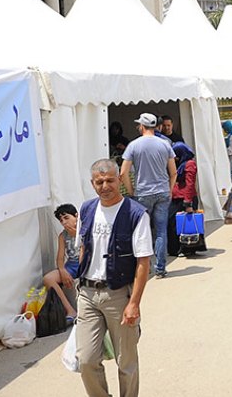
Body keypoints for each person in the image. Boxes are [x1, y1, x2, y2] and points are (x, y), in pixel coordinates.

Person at [76, 159, 153, 397]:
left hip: (118, 294)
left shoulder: (135, 213)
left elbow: (143, 262)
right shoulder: (86, 209)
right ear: (92, 183)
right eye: (99, 182)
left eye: (110, 180)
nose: (105, 186)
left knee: (126, 361)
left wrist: (134, 303)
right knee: (86, 360)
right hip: (88, 294)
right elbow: (82, 249)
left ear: (119, 179)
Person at [120, 113, 176, 278]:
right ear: (156, 126)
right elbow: (173, 172)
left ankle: (144, 267)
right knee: (161, 230)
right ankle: (160, 268)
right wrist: (170, 189)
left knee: (141, 231)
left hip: (143, 193)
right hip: (163, 191)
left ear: (142, 126)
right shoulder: (165, 144)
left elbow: (123, 172)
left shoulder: (133, 145)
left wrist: (131, 191)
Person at [42, 204, 80, 322]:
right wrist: (62, 270)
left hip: (86, 262)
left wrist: (77, 236)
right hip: (72, 264)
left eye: (66, 218)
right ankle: (70, 310)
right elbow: (60, 258)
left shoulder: (85, 229)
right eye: (61, 220)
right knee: (48, 278)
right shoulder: (62, 236)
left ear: (76, 216)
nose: (64, 222)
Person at [167, 142, 206, 256]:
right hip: (176, 198)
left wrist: (187, 203)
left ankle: (186, 247)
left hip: (185, 199)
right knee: (174, 224)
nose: (175, 158)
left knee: (184, 224)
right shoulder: (180, 164)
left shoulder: (189, 164)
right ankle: (176, 248)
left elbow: (190, 184)